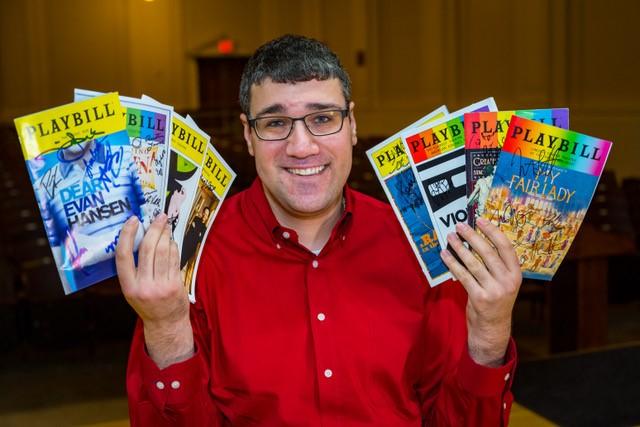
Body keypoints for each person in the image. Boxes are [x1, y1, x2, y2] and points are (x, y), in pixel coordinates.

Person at [116, 34, 521, 426]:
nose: (302, 146)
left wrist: (490, 331)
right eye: (275, 123)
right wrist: (166, 327)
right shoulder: (192, 254)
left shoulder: (421, 244)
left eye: (323, 118)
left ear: (352, 125)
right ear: (248, 135)